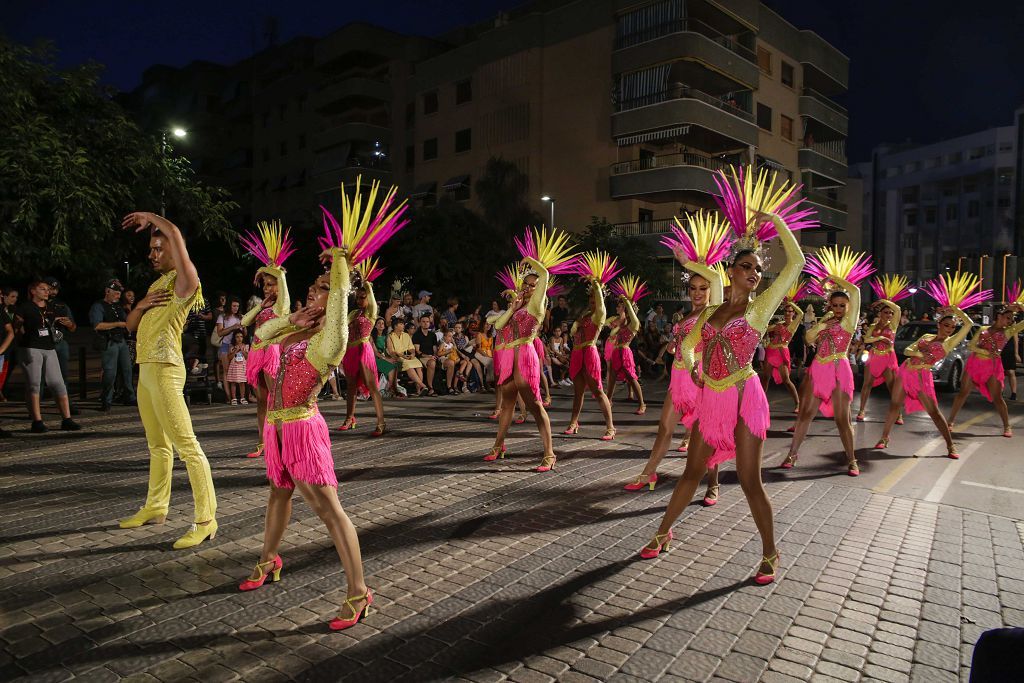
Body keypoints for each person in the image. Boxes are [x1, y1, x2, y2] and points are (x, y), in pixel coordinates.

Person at [639, 166, 813, 587]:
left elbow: (797, 264)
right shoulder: (713, 311)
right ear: (732, 271)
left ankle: (770, 552)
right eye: (748, 267)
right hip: (712, 399)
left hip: (744, 394)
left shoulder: (760, 307)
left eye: (758, 269)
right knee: (691, 473)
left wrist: (775, 223)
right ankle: (662, 532)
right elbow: (690, 346)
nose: (755, 273)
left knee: (751, 481)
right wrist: (694, 369)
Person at [239, 245, 373, 630]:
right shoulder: (300, 330)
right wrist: (294, 317)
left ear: (338, 297)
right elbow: (261, 334)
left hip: (302, 429)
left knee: (329, 512)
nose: (313, 292)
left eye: (322, 288)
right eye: (313, 287)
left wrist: (341, 269)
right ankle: (269, 559)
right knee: (277, 494)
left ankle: (359, 591)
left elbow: (338, 309)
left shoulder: (331, 341)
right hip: (276, 429)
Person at [117, 211, 218, 549]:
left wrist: (150, 217)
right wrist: (143, 304)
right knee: (157, 445)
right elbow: (130, 326)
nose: (152, 254)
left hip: (166, 368)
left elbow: (175, 232)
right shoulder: (155, 286)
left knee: (186, 446)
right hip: (146, 369)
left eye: (158, 248)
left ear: (176, 251)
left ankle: (206, 519)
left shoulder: (185, 281)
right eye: (151, 250)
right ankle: (156, 507)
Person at [624, 213, 728, 500]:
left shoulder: (714, 311)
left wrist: (688, 262)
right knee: (664, 429)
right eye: (693, 288)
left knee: (705, 436)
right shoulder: (686, 316)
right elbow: (680, 342)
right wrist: (673, 346)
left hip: (702, 379)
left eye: (703, 288)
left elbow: (717, 277)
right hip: (678, 379)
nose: (697, 293)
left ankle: (713, 484)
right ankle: (649, 473)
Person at [485, 227, 577, 471]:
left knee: (535, 406)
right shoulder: (516, 305)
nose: (528, 288)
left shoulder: (537, 306)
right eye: (525, 284)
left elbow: (545, 275)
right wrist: (511, 308)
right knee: (506, 405)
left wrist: (531, 262)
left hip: (525, 356)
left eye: (532, 285)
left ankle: (549, 453)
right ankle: (498, 445)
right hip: (507, 358)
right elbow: (496, 325)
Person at [785, 246, 875, 476]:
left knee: (842, 419)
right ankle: (792, 454)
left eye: (842, 306)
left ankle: (852, 460)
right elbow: (807, 338)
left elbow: (854, 291)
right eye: (834, 305)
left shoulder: (848, 323)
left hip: (839, 369)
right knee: (806, 414)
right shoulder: (826, 321)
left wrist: (832, 279)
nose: (837, 309)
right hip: (819, 369)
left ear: (848, 308)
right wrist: (822, 324)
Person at [875, 306, 972, 457]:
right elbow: (907, 351)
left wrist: (956, 310)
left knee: (934, 412)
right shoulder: (926, 336)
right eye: (947, 325)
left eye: (953, 327)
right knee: (895, 405)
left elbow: (969, 324)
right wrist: (916, 352)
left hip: (922, 375)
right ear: (939, 324)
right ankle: (884, 437)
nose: (950, 329)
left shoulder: (949, 342)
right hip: (906, 370)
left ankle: (950, 445)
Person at [237, 221, 293, 458]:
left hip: (272, 354)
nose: (268, 288)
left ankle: (280, 444)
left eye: (272, 285)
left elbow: (283, 290)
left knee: (275, 401)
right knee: (261, 401)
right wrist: (262, 304)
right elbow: (244, 323)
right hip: (256, 353)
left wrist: (276, 271)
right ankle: (262, 442)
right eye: (265, 285)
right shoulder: (264, 305)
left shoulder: (282, 305)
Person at [948, 301, 1024, 437]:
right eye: (1008, 317)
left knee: (998, 398)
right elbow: (971, 346)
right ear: (999, 316)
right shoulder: (983, 329)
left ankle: (1007, 426)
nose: (1010, 321)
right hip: (975, 364)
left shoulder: (1008, 332)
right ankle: (950, 421)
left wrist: (1021, 308)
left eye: (1012, 319)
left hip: (992, 367)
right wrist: (985, 352)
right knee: (962, 393)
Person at [564, 250, 618, 440]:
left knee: (598, 391)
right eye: (590, 299)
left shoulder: (599, 315)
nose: (592, 302)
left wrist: (595, 283)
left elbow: (601, 305)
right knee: (578, 392)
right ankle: (573, 422)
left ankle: (611, 427)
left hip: (589, 352)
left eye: (595, 299)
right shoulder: (585, 315)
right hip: (577, 354)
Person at [14, 280, 81, 432]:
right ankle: (37, 421)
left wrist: (69, 324)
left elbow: (72, 328)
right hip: (31, 348)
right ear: (33, 291)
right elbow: (17, 328)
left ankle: (67, 419)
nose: (47, 292)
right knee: (34, 384)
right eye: (42, 289)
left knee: (57, 383)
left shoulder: (52, 308)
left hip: (50, 348)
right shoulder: (25, 307)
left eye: (48, 289)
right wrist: (22, 345)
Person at [339, 260, 389, 435]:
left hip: (363, 348)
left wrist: (365, 280)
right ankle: (349, 418)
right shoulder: (354, 313)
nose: (359, 300)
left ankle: (381, 422)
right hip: (350, 351)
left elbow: (371, 297)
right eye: (358, 297)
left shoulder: (371, 312)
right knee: (351, 386)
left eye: (363, 297)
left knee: (372, 386)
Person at [857, 275, 909, 422]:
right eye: (886, 312)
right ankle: (861, 411)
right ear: (880, 313)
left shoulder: (892, 325)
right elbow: (866, 339)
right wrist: (879, 338)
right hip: (874, 356)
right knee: (866, 384)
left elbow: (897, 308)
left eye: (890, 313)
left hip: (887, 357)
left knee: (892, 387)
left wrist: (883, 301)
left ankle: (898, 414)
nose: (889, 315)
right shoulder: (873, 326)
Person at [89, 279, 137, 411]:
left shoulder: (117, 306)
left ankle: (129, 397)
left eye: (119, 293)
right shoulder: (98, 306)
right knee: (110, 373)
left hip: (121, 340)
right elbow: (97, 325)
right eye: (115, 293)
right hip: (109, 341)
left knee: (127, 370)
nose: (118, 296)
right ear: (107, 291)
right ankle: (106, 400)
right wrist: (117, 324)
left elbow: (126, 321)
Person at [605, 276, 648, 415]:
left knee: (631, 377)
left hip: (625, 352)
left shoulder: (633, 324)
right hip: (615, 352)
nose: (618, 307)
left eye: (620, 305)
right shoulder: (617, 322)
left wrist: (627, 302)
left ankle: (642, 403)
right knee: (611, 379)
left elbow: (632, 317)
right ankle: (608, 401)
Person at [760, 295, 806, 413]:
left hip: (781, 353)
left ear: (793, 313)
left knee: (786, 380)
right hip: (770, 351)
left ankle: (798, 403)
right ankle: (761, 402)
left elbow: (801, 313)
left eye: (790, 311)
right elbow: (764, 329)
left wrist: (791, 303)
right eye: (786, 310)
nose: (787, 313)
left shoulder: (793, 325)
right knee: (765, 378)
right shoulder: (779, 324)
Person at [388, 320, 428, 395]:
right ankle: (423, 386)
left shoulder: (406, 335)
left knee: (419, 365)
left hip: (407, 355)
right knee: (409, 366)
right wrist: (402, 355)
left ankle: (419, 390)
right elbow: (391, 351)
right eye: (401, 324)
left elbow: (411, 347)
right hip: (398, 357)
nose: (403, 325)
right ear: (396, 326)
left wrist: (413, 353)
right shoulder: (390, 336)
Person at [215, 298, 243, 392]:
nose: (236, 308)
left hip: (237, 346)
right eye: (234, 306)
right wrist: (233, 327)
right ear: (229, 306)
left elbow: (244, 334)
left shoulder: (239, 317)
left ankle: (240, 396)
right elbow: (220, 333)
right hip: (226, 345)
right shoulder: (222, 316)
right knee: (226, 371)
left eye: (237, 306)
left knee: (239, 370)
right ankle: (229, 397)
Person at [371, 318, 400, 397]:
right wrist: (387, 359)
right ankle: (392, 389)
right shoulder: (372, 337)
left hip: (384, 357)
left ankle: (392, 387)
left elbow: (390, 350)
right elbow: (376, 353)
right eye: (379, 323)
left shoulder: (386, 336)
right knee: (391, 366)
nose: (381, 325)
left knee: (396, 363)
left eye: (382, 323)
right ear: (375, 326)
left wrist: (394, 357)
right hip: (375, 359)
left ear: (384, 326)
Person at [0, 286, 19, 404]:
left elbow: (11, 332)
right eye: (12, 296)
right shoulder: (2, 310)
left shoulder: (12, 310)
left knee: (5, 371)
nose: (15, 299)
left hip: (7, 347)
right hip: (4, 347)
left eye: (16, 297)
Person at [411, 314, 439, 393]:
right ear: (420, 323)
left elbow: (435, 349)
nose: (425, 323)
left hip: (431, 357)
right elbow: (417, 351)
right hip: (421, 357)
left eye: (427, 322)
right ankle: (430, 387)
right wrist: (428, 356)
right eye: (423, 322)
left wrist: (435, 356)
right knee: (432, 363)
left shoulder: (433, 335)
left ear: (430, 323)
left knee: (434, 361)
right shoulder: (417, 335)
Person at [225, 330, 249, 405]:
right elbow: (229, 357)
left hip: (242, 367)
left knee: (242, 383)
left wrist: (242, 350)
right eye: (237, 337)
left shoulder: (246, 346)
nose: (239, 339)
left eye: (241, 337)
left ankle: (242, 397)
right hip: (234, 367)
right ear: (234, 338)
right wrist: (235, 350)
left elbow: (247, 357)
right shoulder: (231, 347)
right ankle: (234, 398)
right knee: (233, 383)